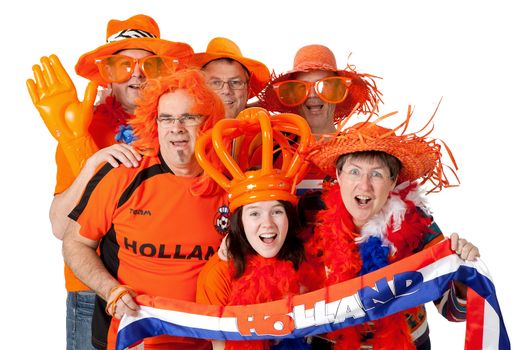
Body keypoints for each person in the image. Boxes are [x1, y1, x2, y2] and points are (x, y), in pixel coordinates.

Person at [26, 14, 193, 349]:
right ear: (106, 76)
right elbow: (61, 228)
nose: (136, 74)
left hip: (163, 293)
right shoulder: (82, 128)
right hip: (91, 291)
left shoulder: (179, 129)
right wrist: (86, 156)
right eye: (121, 65)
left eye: (150, 65)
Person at [62, 69, 227, 350]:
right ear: (155, 124)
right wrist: (110, 290)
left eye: (189, 117)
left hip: (206, 343)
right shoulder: (123, 176)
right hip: (130, 341)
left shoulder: (230, 182)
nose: (176, 127)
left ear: (208, 123)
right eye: (166, 118)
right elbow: (75, 243)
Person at [305, 114, 480, 349]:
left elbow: (455, 312)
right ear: (338, 176)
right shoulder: (310, 218)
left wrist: (463, 271)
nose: (364, 185)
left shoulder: (418, 225)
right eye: (354, 172)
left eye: (376, 174)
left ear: (393, 180)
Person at [195, 108, 314, 349]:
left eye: (277, 211)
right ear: (239, 221)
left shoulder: (306, 262)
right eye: (255, 213)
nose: (267, 223)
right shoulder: (217, 276)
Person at [258, 44, 382, 228]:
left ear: (339, 93)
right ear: (290, 96)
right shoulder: (272, 150)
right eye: (300, 88)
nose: (313, 96)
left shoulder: (358, 151)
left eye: (326, 87)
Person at [191, 37, 270, 119]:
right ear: (200, 90)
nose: (226, 91)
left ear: (248, 90)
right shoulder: (182, 128)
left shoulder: (271, 128)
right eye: (216, 83)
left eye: (235, 82)